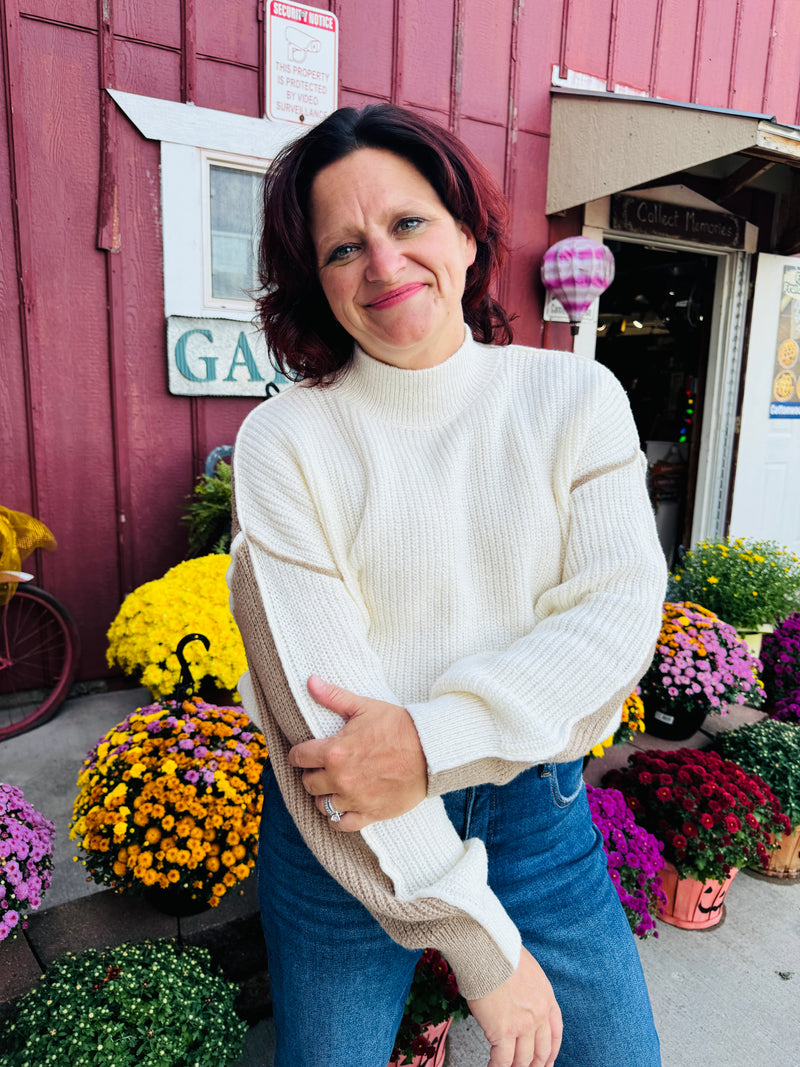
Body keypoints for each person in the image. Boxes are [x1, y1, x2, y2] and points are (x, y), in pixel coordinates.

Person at [228, 103, 666, 1067]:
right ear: (318, 283)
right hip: (344, 836)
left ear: (468, 234)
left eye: (408, 223)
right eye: (343, 248)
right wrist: (483, 950)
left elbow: (614, 622)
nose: (382, 264)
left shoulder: (574, 399)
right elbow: (323, 726)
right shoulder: (287, 440)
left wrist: (429, 738)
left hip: (533, 816)